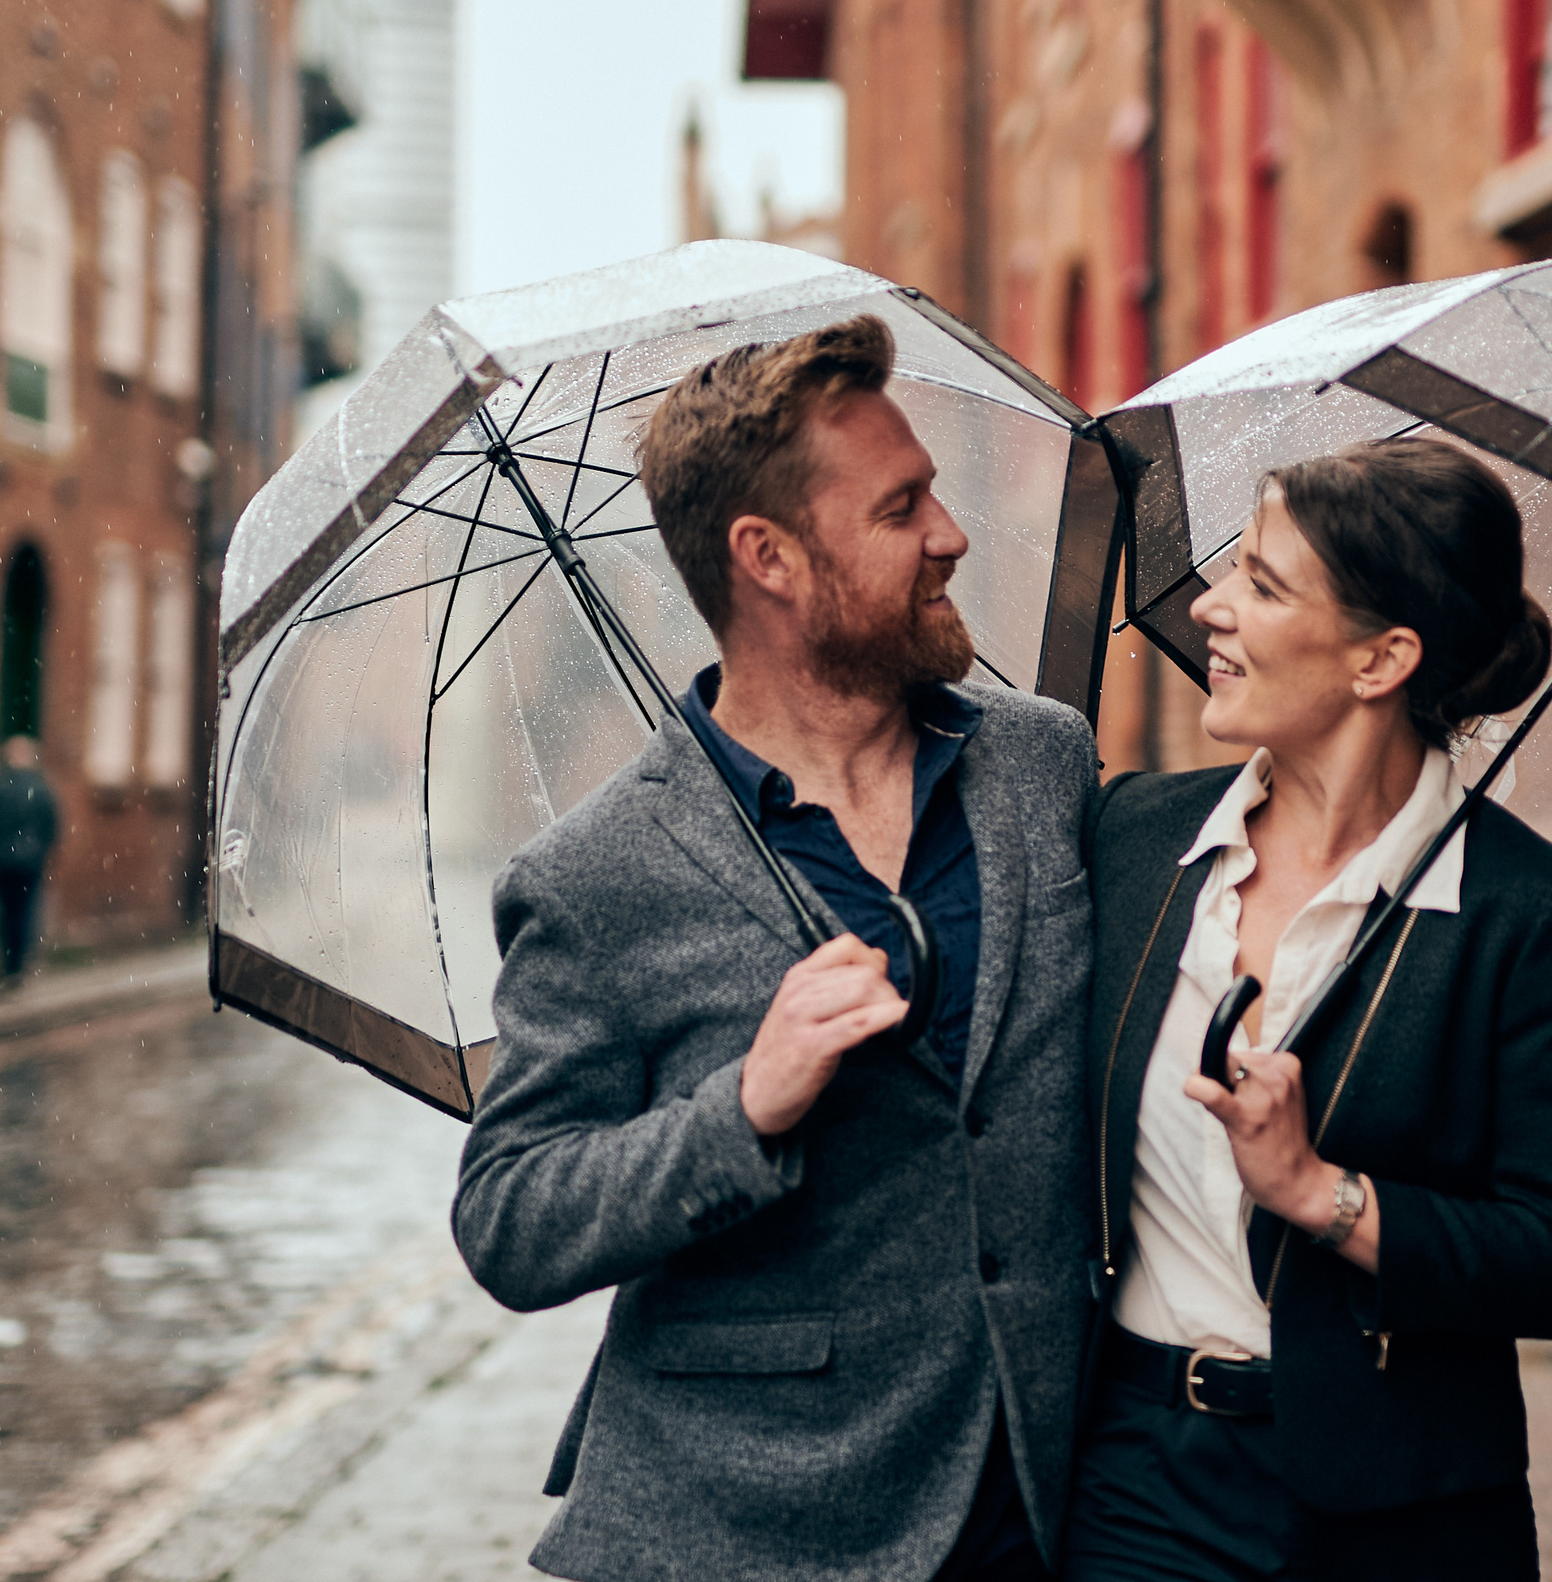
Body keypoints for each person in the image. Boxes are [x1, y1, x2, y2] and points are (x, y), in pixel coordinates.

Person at [453, 315, 1100, 1582]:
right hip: (745, 1528)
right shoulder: (597, 877)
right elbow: (511, 1217)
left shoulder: (1040, 763)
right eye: (900, 508)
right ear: (770, 558)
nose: (949, 535)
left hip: (1034, 1506)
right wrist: (742, 1110)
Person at [1070, 437, 1552, 1582]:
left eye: (1263, 586)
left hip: (1399, 1507)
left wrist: (1322, 1195)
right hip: (1135, 1473)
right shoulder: (1132, 840)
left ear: (1381, 658)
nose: (1214, 609)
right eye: (1232, 569)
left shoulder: (1530, 913)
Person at [0, 735, 61, 981]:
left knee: (4, 909)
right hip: (30, 859)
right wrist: (42, 848)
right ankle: (19, 962)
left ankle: (6, 959)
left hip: (2, 858)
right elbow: (51, 824)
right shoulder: (40, 787)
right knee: (26, 909)